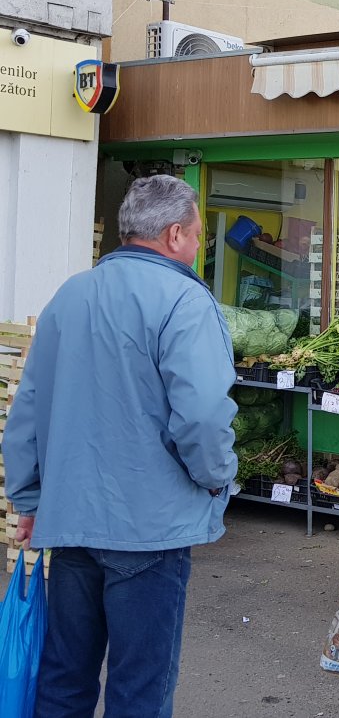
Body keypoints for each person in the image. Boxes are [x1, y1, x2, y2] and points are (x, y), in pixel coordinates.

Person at [3, 174, 237, 717]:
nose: (199, 245)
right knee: (140, 687)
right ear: (175, 234)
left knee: (63, 678)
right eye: (199, 234)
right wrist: (214, 476)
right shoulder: (185, 300)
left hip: (72, 523)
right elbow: (202, 413)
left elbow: (28, 410)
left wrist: (31, 500)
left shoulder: (70, 294)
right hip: (148, 530)